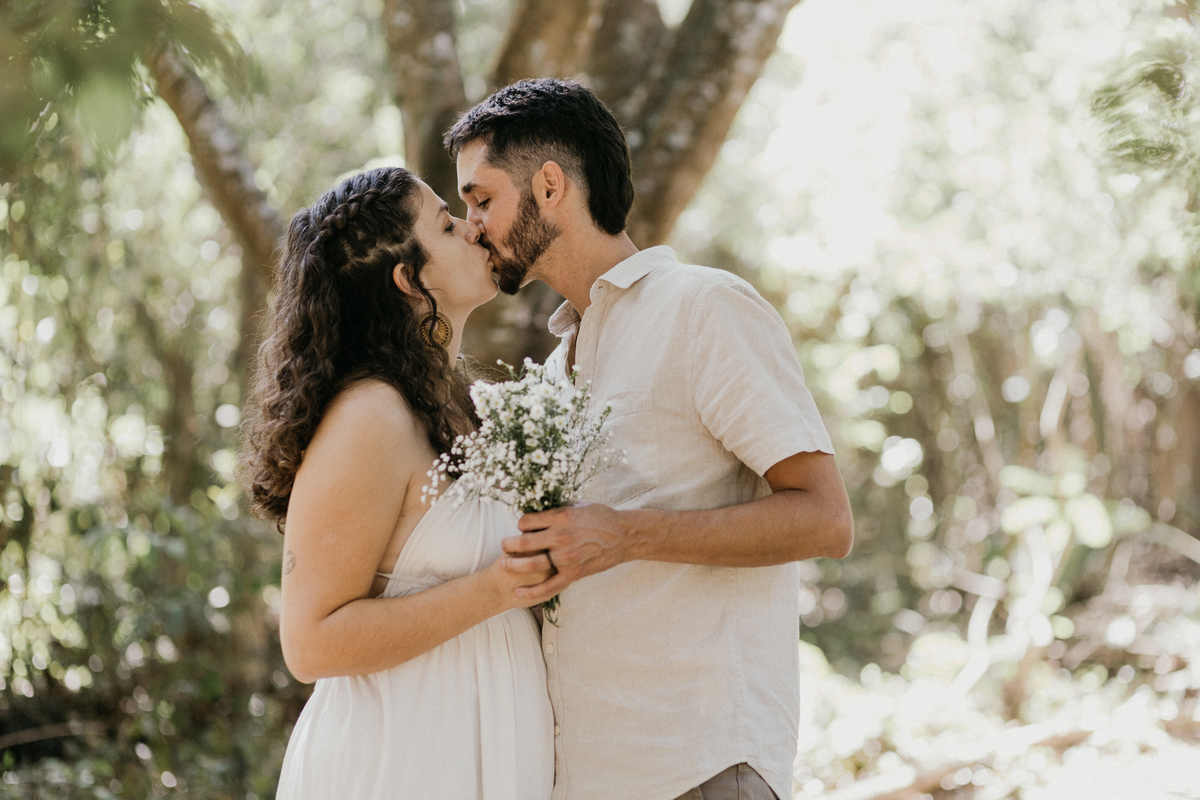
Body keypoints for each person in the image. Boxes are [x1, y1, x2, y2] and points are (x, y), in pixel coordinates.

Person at [445, 79, 855, 800]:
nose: (472, 224)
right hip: (585, 775)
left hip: (699, 765)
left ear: (548, 186)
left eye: (481, 199)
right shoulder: (550, 370)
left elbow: (825, 517)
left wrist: (628, 535)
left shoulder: (704, 309)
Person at [238, 166, 556, 799]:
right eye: (447, 223)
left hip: (485, 744)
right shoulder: (370, 415)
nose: (473, 227)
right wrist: (498, 588)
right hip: (401, 757)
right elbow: (309, 642)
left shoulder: (459, 405)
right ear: (409, 279)